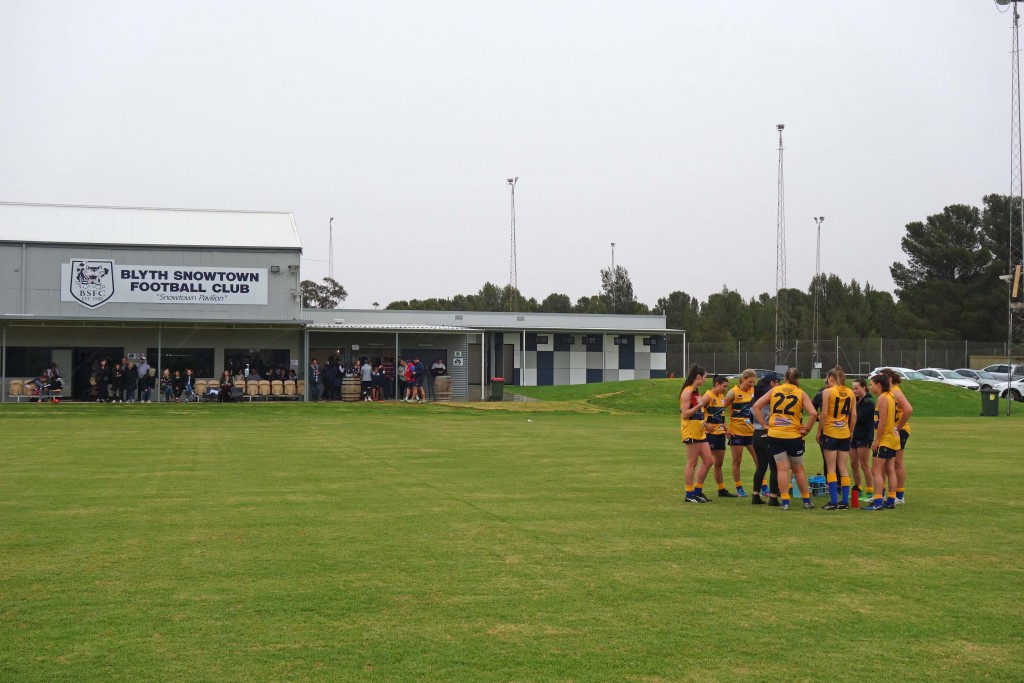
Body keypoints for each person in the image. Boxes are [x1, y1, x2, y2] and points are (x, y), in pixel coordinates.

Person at [753, 367, 818, 510]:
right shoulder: (800, 393)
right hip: (793, 435)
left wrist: (764, 424)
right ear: (797, 379)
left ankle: (785, 502)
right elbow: (813, 413)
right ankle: (806, 501)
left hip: (775, 434)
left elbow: (756, 406)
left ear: (785, 378)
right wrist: (806, 429)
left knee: (782, 469)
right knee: (798, 469)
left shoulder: (775, 390)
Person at [816, 366, 856, 510]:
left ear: (830, 378)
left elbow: (824, 414)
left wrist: (819, 431)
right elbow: (854, 415)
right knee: (843, 468)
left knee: (831, 469)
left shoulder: (827, 392)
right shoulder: (851, 392)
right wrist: (850, 431)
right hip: (844, 433)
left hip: (831, 432)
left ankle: (833, 501)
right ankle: (844, 502)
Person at [680, 364, 715, 504]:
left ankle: (697, 491)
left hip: (699, 430)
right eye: (704, 378)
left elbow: (698, 413)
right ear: (698, 377)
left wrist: (705, 423)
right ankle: (689, 494)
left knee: (709, 460)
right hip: (690, 430)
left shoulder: (696, 391)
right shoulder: (687, 392)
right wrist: (700, 405)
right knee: (692, 462)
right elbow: (685, 414)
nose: (705, 380)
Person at [866, 373, 900, 511]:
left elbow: (883, 421)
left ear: (878, 385)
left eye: (871, 384)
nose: (870, 387)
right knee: (890, 469)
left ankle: (878, 501)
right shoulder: (892, 396)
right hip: (893, 438)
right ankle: (891, 499)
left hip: (885, 438)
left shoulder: (882, 398)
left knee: (876, 470)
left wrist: (877, 440)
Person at [723, 369, 758, 498]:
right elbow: (719, 411)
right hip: (736, 432)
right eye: (750, 382)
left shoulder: (754, 392)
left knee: (759, 459)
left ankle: (763, 486)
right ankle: (739, 487)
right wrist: (725, 427)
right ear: (743, 379)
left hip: (751, 432)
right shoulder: (733, 392)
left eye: (753, 382)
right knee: (737, 461)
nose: (751, 384)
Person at [881, 368, 913, 505]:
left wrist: (898, 426)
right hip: (889, 431)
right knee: (884, 463)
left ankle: (899, 495)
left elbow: (908, 409)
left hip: (899, 431)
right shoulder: (888, 393)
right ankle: (881, 493)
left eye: (881, 378)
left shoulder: (895, 392)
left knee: (897, 463)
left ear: (889, 379)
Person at [750, 372, 781, 505]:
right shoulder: (771, 394)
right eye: (777, 382)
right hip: (767, 431)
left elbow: (749, 415)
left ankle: (755, 495)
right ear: (772, 383)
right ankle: (773, 497)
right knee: (774, 467)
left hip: (756, 433)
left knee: (761, 466)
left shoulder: (755, 394)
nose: (779, 384)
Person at [705, 375, 736, 497]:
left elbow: (721, 416)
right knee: (707, 462)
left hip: (720, 434)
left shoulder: (721, 397)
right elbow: (697, 412)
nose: (725, 389)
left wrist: (726, 428)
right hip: (710, 434)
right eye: (724, 386)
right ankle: (697, 488)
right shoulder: (708, 396)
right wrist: (705, 424)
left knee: (719, 463)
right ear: (717, 384)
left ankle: (721, 489)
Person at [850, 379, 875, 501]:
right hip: (853, 436)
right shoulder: (854, 400)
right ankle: (858, 488)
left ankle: (870, 491)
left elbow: (859, 419)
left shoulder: (869, 402)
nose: (854, 391)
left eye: (857, 388)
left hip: (864, 436)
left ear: (864, 388)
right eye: (853, 389)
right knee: (853, 463)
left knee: (864, 464)